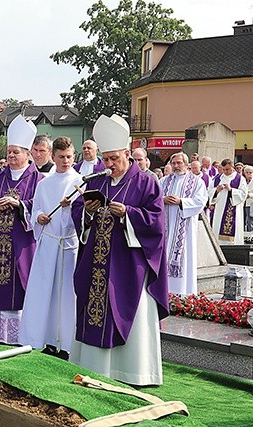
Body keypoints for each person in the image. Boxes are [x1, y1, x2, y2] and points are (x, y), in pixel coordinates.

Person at [70, 114, 169, 386]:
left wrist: (128, 214)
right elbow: (78, 211)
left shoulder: (147, 182)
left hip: (129, 265)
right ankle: (93, 368)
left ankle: (132, 372)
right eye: (106, 159)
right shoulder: (96, 181)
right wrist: (86, 214)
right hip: (97, 263)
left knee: (130, 313)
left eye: (115, 158)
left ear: (128, 154)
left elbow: (157, 222)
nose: (110, 164)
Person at [0, 115, 43, 343]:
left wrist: (20, 205)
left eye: (16, 152)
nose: (11, 156)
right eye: (9, 152)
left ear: (27, 154)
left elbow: (42, 207)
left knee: (18, 289)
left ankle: (15, 338)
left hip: (21, 247)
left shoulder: (38, 180)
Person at [19, 136, 82, 359]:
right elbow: (34, 210)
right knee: (44, 292)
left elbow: (83, 217)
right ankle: (43, 337)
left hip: (68, 245)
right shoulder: (44, 183)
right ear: (53, 157)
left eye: (69, 157)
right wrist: (40, 217)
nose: (66, 161)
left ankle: (66, 342)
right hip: (48, 243)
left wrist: (69, 208)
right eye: (61, 157)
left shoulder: (80, 181)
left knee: (66, 295)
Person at [160, 152, 208, 296]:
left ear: (187, 165)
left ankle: (183, 292)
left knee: (184, 258)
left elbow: (201, 201)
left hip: (185, 229)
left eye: (179, 163)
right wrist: (163, 200)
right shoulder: (163, 181)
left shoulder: (197, 182)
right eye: (173, 163)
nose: (175, 166)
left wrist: (181, 202)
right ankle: (164, 291)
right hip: (165, 227)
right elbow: (153, 198)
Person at [209, 158, 248, 245]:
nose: (225, 171)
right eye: (223, 169)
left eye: (227, 169)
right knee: (217, 229)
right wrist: (216, 190)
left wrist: (231, 190)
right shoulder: (217, 178)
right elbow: (209, 191)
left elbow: (243, 194)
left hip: (233, 209)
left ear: (232, 167)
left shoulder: (240, 179)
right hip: (219, 210)